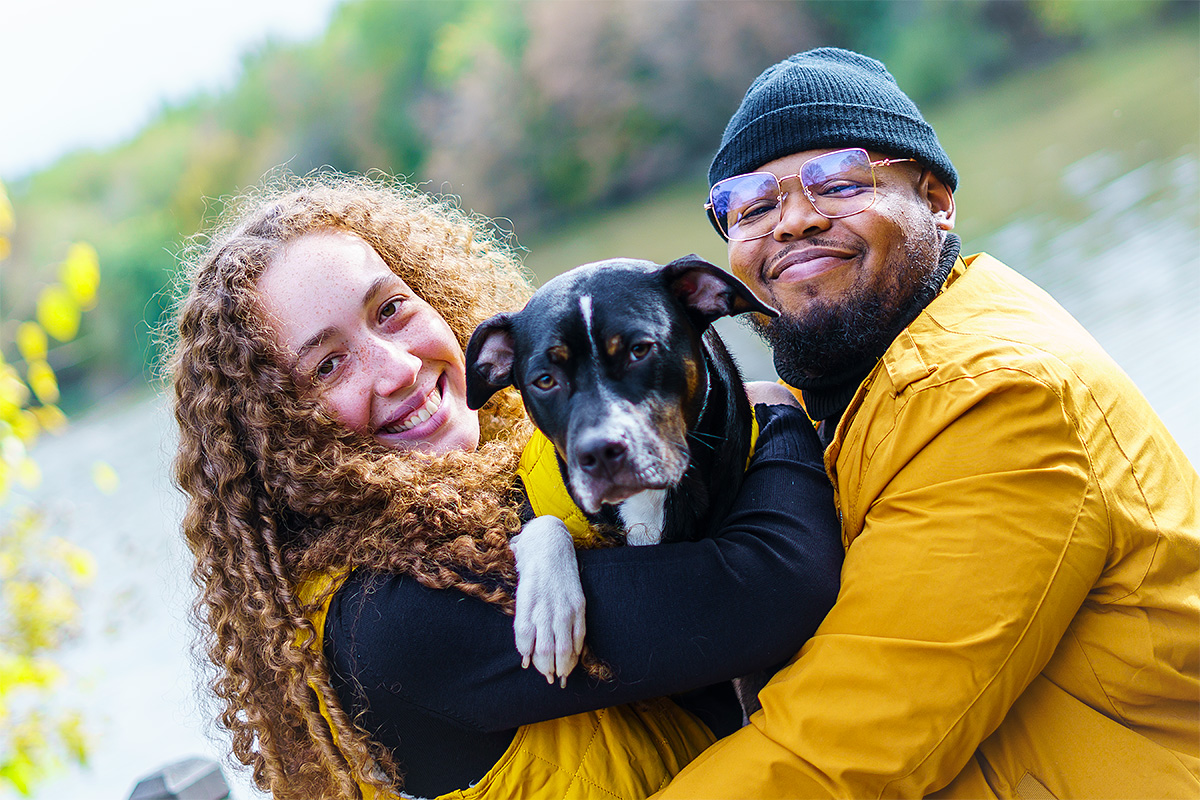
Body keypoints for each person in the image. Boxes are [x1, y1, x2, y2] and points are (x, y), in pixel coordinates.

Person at [167, 173, 842, 799]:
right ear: (278, 431)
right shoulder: (392, 617)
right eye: (328, 365)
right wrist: (775, 410)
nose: (398, 368)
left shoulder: (511, 486)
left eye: (392, 308)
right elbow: (773, 588)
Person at [655, 47, 1200, 798]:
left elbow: (834, 753)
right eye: (752, 207)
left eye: (839, 182)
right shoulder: (821, 402)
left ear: (938, 201)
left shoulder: (1002, 395)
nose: (795, 221)